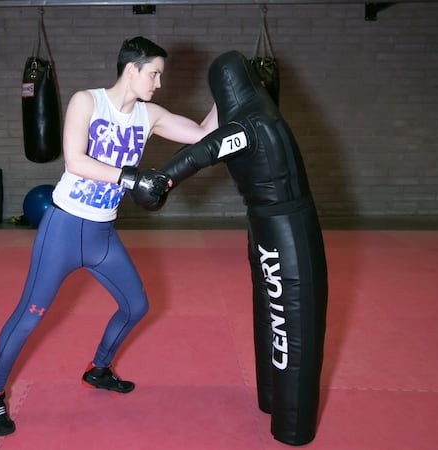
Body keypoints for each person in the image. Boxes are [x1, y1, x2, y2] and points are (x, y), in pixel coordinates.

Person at [0, 36, 218, 437]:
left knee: (136, 305)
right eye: (154, 74)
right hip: (64, 228)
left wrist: (232, 90)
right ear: (132, 69)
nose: (158, 83)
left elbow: (201, 134)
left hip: (102, 233)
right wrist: (131, 177)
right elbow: (74, 160)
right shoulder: (86, 102)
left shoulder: (150, 115)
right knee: (30, 316)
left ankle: (98, 368)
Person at [134, 50, 328, 446]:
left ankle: (294, 425)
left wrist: (162, 180)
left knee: (288, 316)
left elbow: (205, 151)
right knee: (270, 310)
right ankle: (271, 398)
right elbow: (210, 133)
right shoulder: (253, 112)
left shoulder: (251, 125)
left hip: (287, 228)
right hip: (265, 224)